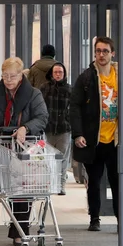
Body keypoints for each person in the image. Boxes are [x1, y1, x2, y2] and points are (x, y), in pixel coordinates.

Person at [70, 37, 123, 232]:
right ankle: (94, 218)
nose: (101, 55)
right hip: (94, 140)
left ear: (112, 53)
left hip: (116, 140)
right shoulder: (86, 78)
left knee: (118, 182)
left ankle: (121, 220)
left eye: (105, 51)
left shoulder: (121, 76)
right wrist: (78, 134)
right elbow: (74, 107)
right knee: (94, 182)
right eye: (98, 51)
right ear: (95, 53)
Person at [0, 57, 49, 246]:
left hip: (26, 148)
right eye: (4, 76)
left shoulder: (34, 95)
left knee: (22, 190)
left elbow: (42, 118)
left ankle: (21, 232)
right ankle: (18, 230)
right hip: (3, 149)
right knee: (10, 190)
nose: (8, 80)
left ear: (21, 76)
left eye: (12, 76)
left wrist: (25, 128)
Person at [39, 62, 72, 196]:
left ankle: (60, 184)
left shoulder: (70, 89)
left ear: (64, 74)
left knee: (62, 158)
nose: (58, 74)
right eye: (56, 72)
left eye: (60, 72)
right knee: (48, 158)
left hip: (64, 128)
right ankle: (49, 183)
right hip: (48, 128)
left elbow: (73, 109)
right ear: (51, 74)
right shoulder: (44, 88)